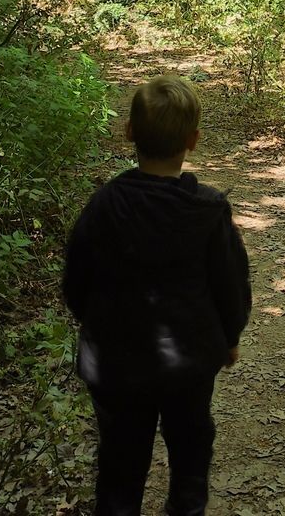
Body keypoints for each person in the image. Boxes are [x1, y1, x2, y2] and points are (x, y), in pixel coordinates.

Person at [63, 74, 251, 516]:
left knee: (120, 465)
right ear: (194, 140)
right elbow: (230, 283)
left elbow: (77, 280)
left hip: (115, 364)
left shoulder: (105, 204)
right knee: (190, 455)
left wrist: (94, 323)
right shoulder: (207, 210)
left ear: (129, 133)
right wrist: (229, 336)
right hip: (188, 365)